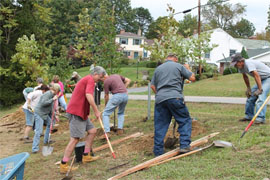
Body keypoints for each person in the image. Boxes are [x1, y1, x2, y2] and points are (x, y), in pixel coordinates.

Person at [60, 66, 106, 174]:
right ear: (95, 74)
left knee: (92, 131)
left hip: (82, 113)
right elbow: (89, 95)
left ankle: (86, 156)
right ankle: (64, 164)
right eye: (99, 77)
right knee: (75, 139)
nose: (100, 79)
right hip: (76, 112)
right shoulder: (90, 80)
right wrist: (96, 110)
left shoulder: (88, 80)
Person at [151, 54, 196, 156]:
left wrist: (160, 95)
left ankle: (158, 151)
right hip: (175, 97)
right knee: (184, 120)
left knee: (160, 125)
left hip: (160, 99)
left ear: (166, 59)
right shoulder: (178, 66)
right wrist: (188, 69)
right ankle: (184, 146)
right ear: (176, 59)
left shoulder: (158, 69)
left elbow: (153, 86)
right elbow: (192, 78)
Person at [231, 53, 270, 124]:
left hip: (268, 78)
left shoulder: (248, 63)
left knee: (261, 96)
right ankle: (249, 116)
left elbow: (256, 75)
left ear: (240, 61)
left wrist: (260, 89)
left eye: (236, 63)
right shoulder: (241, 67)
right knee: (251, 96)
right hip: (261, 79)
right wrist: (248, 88)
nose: (235, 66)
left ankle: (260, 118)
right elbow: (245, 76)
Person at [32, 84, 60, 153]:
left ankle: (46, 140)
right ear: (56, 90)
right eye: (58, 91)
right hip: (39, 113)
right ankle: (34, 148)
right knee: (39, 131)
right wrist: (52, 100)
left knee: (50, 123)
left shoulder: (52, 95)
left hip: (44, 113)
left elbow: (50, 106)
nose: (59, 92)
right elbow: (43, 103)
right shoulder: (48, 94)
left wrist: (55, 113)